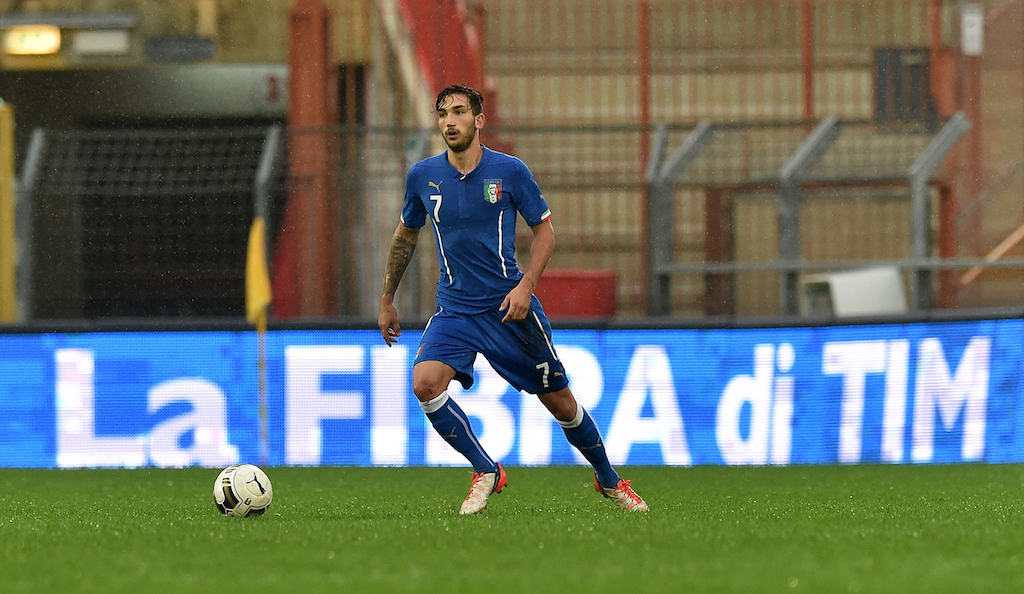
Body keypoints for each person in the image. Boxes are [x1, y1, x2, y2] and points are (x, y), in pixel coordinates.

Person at [378, 83, 648, 515]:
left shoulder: (510, 172)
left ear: (478, 120)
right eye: (443, 113)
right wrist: (387, 298)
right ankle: (486, 469)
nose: (450, 120)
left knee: (561, 402)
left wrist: (526, 287)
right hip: (455, 309)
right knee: (425, 383)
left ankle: (610, 480)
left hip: (509, 309)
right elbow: (406, 233)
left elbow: (545, 232)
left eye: (460, 112)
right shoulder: (422, 176)